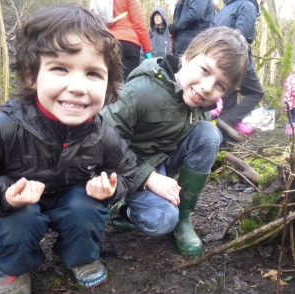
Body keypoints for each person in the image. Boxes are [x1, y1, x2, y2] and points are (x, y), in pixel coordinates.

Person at [0, 4, 137, 294]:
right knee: (19, 218)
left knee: (86, 207)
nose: (77, 87)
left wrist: (112, 189)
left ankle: (80, 256)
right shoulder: (3, 128)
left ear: (109, 86)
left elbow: (126, 170)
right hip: (16, 203)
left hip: (70, 199)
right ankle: (12, 268)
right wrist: (3, 195)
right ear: (31, 75)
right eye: (60, 68)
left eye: (93, 74)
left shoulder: (103, 135)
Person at [101, 27, 249, 256]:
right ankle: (124, 209)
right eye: (205, 71)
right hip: (123, 169)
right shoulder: (142, 92)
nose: (207, 87)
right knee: (161, 221)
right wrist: (147, 176)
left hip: (160, 161)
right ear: (187, 57)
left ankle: (184, 218)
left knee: (209, 134)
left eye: (221, 85)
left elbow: (195, 143)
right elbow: (101, 140)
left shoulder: (201, 107)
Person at [211, 0, 265, 143]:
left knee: (229, 96)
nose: (262, 3)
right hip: (236, 58)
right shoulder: (247, 5)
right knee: (256, 92)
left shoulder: (224, 9)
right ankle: (227, 121)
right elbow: (242, 37)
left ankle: (222, 141)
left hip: (218, 58)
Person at [108, 0, 152, 80]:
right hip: (130, 44)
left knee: (111, 81)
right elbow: (140, 24)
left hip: (110, 42)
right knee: (128, 81)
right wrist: (147, 49)